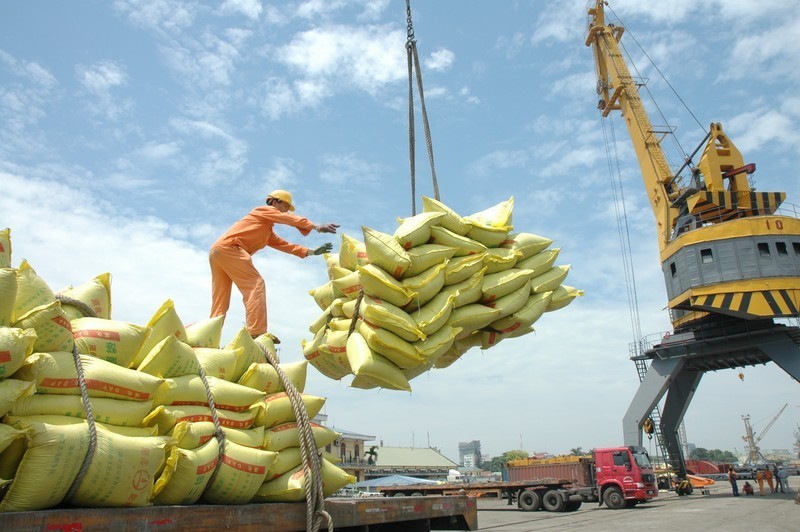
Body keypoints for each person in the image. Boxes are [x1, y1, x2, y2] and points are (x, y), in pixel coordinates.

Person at [209, 190, 339, 342]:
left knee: (221, 301)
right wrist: (316, 227)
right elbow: (285, 218)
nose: (286, 211)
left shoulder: (266, 230)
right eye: (285, 206)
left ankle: (208, 336)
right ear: (275, 202)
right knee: (256, 284)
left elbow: (285, 245)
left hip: (218, 252)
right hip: (230, 249)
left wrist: (311, 252)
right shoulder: (261, 211)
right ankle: (256, 332)